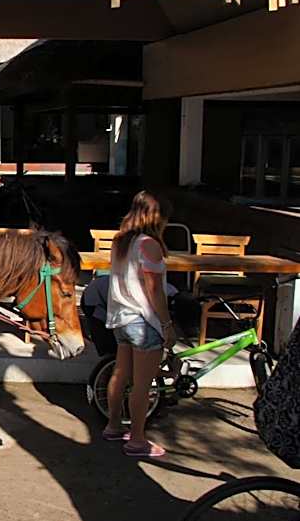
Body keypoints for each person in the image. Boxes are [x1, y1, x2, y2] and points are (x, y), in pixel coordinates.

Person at [103, 191, 176, 457]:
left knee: (120, 374)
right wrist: (167, 325)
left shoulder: (120, 241)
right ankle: (137, 440)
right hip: (144, 321)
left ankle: (113, 426)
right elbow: (154, 290)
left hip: (121, 318)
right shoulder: (149, 245)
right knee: (142, 385)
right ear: (158, 217)